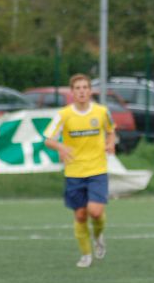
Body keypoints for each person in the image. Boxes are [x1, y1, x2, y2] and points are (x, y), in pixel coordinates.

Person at [42, 74, 115, 268]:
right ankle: (85, 255)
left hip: (97, 168)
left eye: (85, 87)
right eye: (78, 88)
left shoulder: (101, 112)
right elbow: (48, 138)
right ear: (72, 92)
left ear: (90, 91)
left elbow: (111, 130)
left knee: (96, 211)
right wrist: (61, 147)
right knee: (81, 215)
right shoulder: (64, 114)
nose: (82, 91)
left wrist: (110, 143)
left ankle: (98, 236)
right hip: (74, 172)